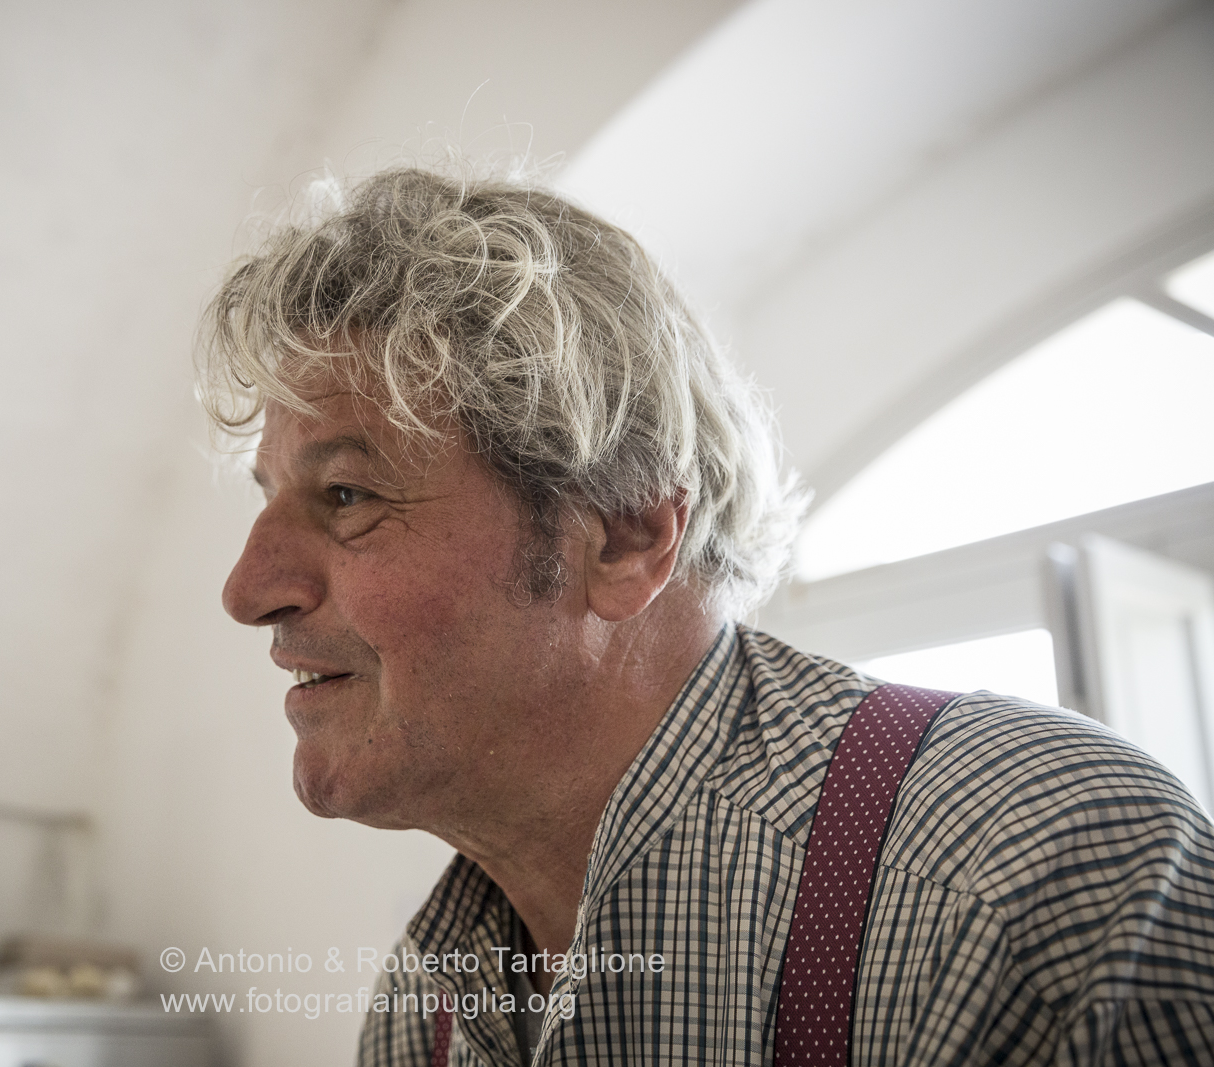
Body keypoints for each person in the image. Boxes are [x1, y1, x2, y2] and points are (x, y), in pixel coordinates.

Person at [200, 167, 1214, 1065]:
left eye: (347, 495)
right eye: (267, 497)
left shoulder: (1026, 879)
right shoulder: (424, 1011)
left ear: (627, 537)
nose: (247, 588)